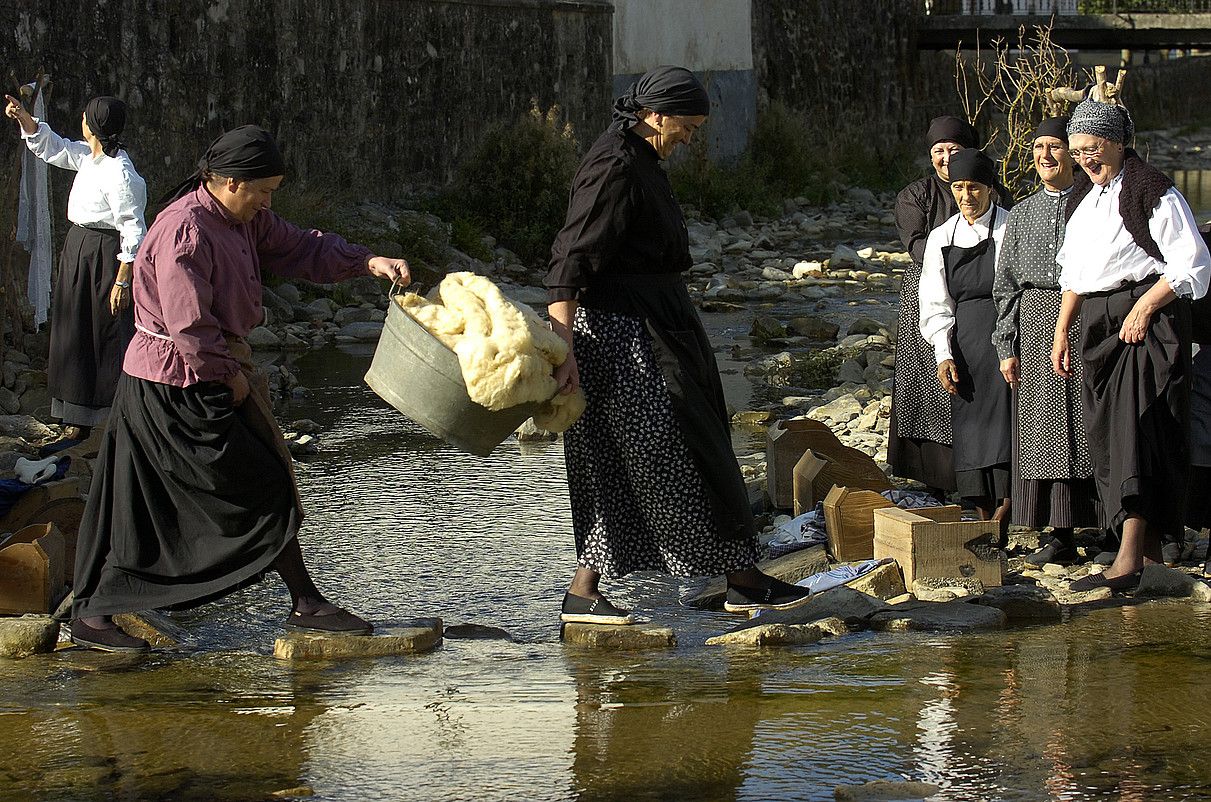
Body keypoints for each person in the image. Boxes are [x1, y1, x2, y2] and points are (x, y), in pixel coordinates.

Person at [67, 125, 411, 651]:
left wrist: (366, 261)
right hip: (173, 386)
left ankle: (303, 601)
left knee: (201, 490)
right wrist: (230, 379)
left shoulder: (242, 219)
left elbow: (300, 246)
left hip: (201, 375)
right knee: (189, 494)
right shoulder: (185, 230)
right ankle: (94, 613)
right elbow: (189, 325)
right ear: (229, 182)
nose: (269, 203)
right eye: (265, 191)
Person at [545, 66, 811, 624]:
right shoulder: (614, 166)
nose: (691, 137)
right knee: (672, 453)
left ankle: (598, 590)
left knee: (665, 450)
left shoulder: (640, 157)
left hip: (656, 324)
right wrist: (562, 346)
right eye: (686, 126)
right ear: (655, 115)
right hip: (624, 338)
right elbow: (570, 260)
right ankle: (727, 577)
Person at [1052, 98, 1210, 593]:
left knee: (1137, 432)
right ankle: (1147, 548)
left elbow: (1193, 263)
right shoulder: (1082, 195)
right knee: (1107, 434)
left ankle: (1128, 557)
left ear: (1118, 144)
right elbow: (1075, 273)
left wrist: (1145, 307)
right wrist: (1062, 329)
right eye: (1077, 152)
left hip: (1146, 322)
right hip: (1101, 325)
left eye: (1093, 149)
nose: (1085, 160)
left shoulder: (1152, 189)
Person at [5, 94, 146, 445]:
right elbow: (54, 147)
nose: (80, 123)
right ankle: (74, 417)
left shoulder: (121, 173)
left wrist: (122, 281)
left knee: (103, 333)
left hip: (105, 254)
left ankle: (108, 417)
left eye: (84, 118)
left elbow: (134, 229)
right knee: (73, 329)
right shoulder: (89, 157)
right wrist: (24, 117)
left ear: (94, 125)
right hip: (78, 249)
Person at [992, 118, 1100, 567]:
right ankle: (1059, 531)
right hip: (1036, 325)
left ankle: (1106, 523)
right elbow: (1005, 285)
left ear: (1073, 154)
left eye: (1055, 147)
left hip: (1088, 321)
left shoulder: (1096, 205)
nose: (1045, 156)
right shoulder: (1021, 213)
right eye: (1038, 148)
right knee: (1045, 432)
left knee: (1091, 423)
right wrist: (1006, 346)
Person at [919, 148, 1012, 530]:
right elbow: (935, 300)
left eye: (974, 187)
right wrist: (943, 353)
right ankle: (980, 510)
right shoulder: (941, 237)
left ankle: (1008, 505)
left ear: (989, 188)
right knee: (971, 424)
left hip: (1008, 334)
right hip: (966, 339)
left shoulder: (1011, 227)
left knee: (1007, 424)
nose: (966, 196)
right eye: (958, 187)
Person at [889, 115, 975, 496]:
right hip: (926, 294)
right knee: (928, 387)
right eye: (938, 152)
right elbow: (919, 248)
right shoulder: (915, 196)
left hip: (976, 297)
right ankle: (934, 480)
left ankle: (978, 474)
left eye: (953, 150)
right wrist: (970, 259)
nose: (945, 158)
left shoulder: (988, 189)